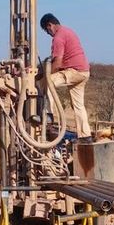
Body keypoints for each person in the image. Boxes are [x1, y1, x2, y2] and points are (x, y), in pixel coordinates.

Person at [40, 13, 93, 144]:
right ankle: (85, 136)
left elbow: (57, 63)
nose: (49, 34)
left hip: (74, 71)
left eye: (47, 31)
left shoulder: (58, 38)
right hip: (84, 72)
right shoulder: (69, 31)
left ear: (50, 25)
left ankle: (48, 118)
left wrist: (45, 74)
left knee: (48, 83)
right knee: (78, 106)